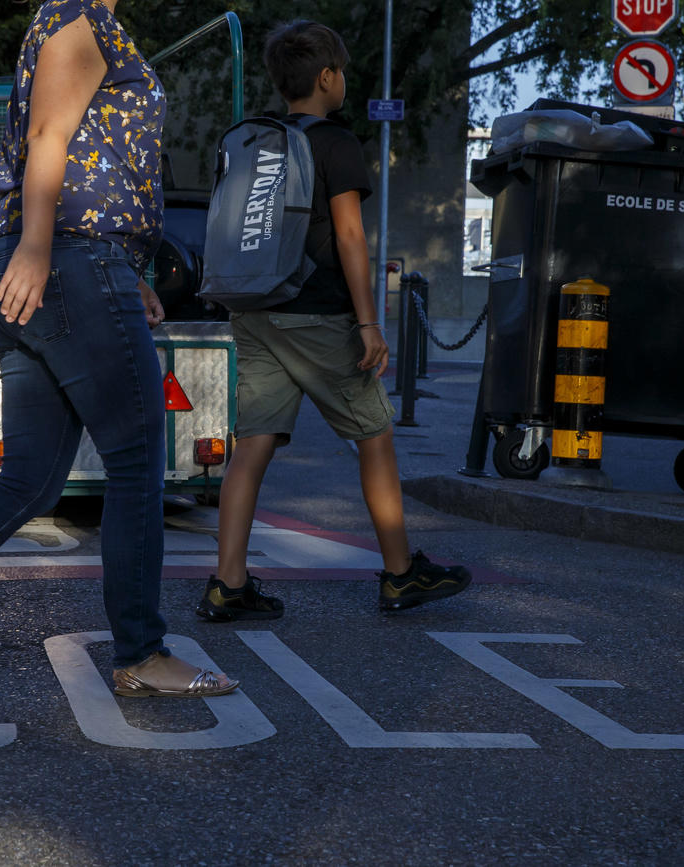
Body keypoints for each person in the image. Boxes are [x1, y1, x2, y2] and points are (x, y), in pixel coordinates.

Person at [0, 0, 238, 710]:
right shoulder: (76, 19)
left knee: (28, 480)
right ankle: (142, 652)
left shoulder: (72, 23)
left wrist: (125, 273)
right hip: (67, 261)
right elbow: (52, 136)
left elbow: (92, 152)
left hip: (74, 263)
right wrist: (39, 249)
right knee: (139, 452)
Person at [197, 20, 471, 622]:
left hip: (255, 309)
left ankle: (227, 584)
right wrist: (369, 323)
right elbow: (349, 235)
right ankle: (401, 573)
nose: (344, 81)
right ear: (326, 77)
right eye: (341, 72)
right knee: (373, 435)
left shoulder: (252, 138)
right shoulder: (336, 141)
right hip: (317, 313)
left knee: (253, 445)